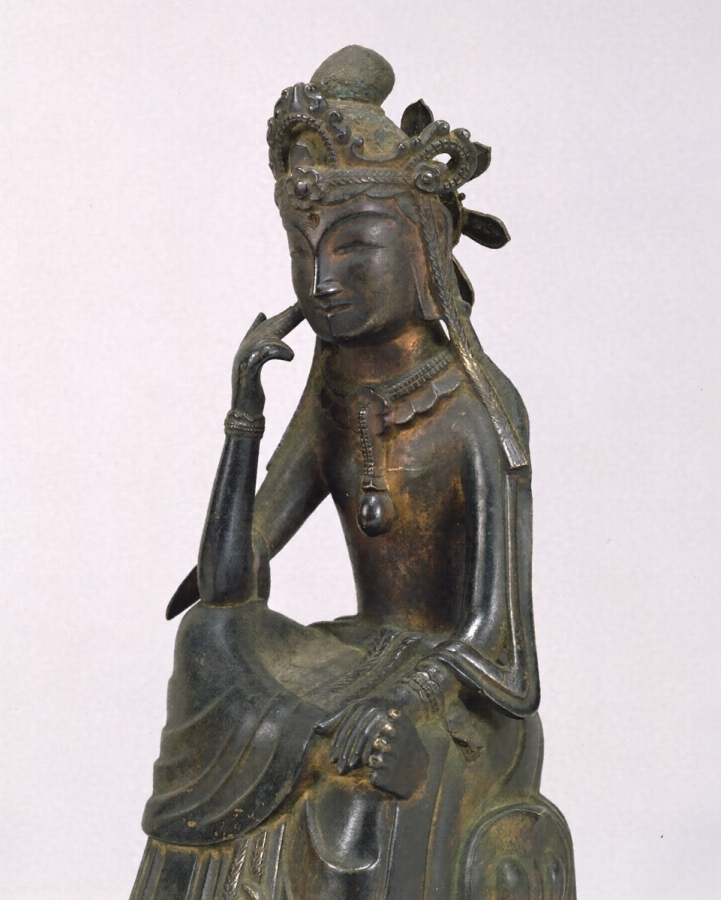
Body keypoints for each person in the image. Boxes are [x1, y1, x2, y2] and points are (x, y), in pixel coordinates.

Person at [130, 46, 576, 900]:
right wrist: (244, 414)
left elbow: (500, 641)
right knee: (206, 639)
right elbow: (228, 586)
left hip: (458, 689)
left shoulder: (476, 409)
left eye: (353, 249)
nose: (322, 281)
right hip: (356, 652)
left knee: (359, 785)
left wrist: (407, 700)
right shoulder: (331, 389)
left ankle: (384, 799)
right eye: (304, 254)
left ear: (422, 249)